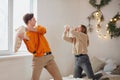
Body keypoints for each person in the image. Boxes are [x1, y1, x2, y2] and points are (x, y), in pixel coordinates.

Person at [18, 13, 62, 80]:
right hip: (38, 59)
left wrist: (31, 29)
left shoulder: (38, 28)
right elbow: (32, 50)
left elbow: (44, 30)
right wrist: (26, 39)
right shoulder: (27, 35)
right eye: (34, 19)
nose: (35, 20)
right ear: (29, 21)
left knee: (59, 78)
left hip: (49, 57)